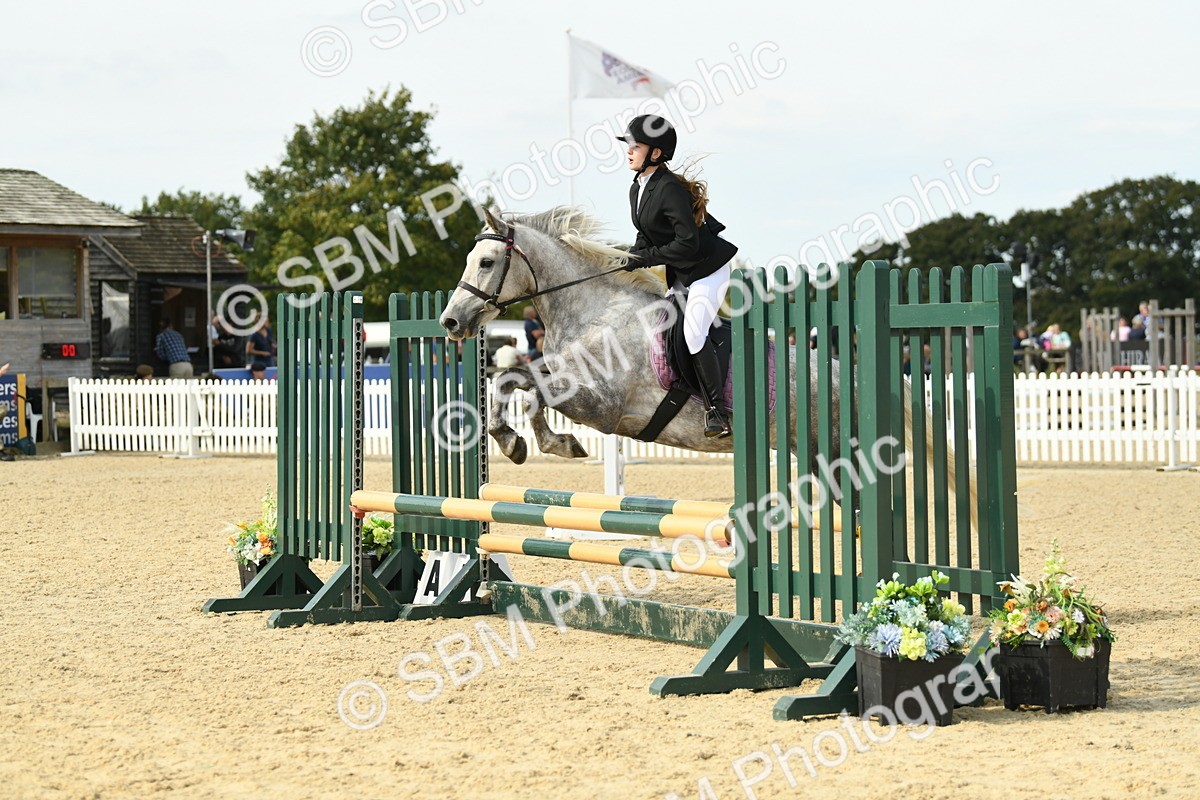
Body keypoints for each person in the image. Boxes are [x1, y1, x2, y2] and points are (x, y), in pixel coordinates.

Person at [618, 114, 739, 438]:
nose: (628, 150)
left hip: (707, 271)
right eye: (629, 145)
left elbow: (686, 243)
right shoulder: (638, 188)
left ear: (655, 153)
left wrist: (644, 258)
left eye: (636, 146)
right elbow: (646, 236)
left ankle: (717, 412)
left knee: (694, 331)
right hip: (683, 273)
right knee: (663, 328)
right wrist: (626, 259)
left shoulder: (668, 188)